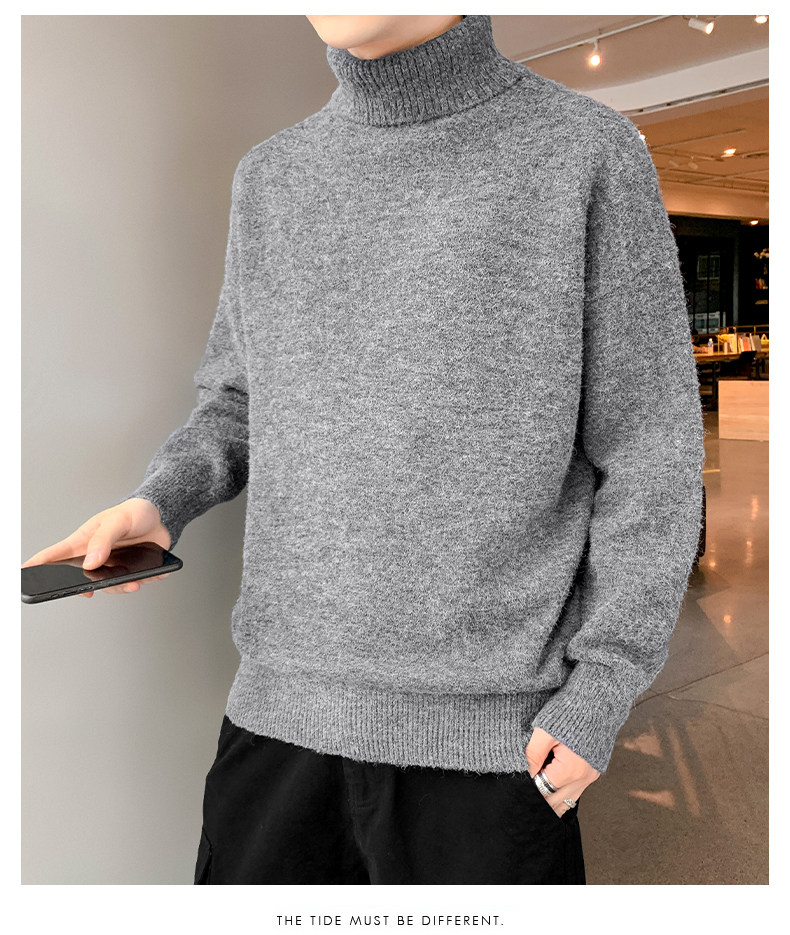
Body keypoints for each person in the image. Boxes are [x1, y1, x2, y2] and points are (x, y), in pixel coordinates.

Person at [23, 15, 705, 884]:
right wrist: (160, 501)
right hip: (278, 719)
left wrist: (603, 687)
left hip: (492, 744)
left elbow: (650, 450)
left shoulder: (585, 152)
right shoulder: (271, 176)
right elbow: (240, 398)